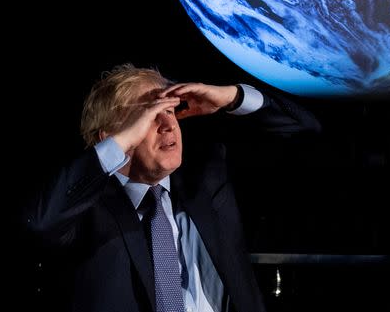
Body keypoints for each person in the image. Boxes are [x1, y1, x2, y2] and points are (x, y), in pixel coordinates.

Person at [25, 63, 320, 312]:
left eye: (171, 110)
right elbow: (40, 223)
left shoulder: (207, 176)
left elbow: (305, 130)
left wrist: (231, 97)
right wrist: (114, 145)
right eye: (150, 115)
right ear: (117, 137)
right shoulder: (87, 209)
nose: (168, 124)